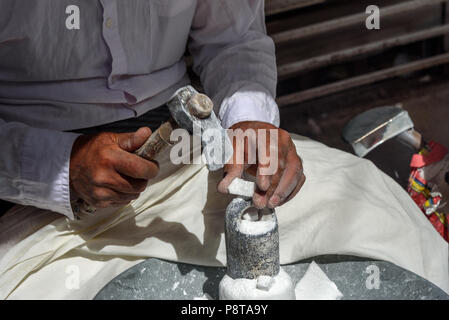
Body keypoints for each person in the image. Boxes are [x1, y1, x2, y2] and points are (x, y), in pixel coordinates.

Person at [0, 0, 304, 219]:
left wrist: (250, 117)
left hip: (186, 136)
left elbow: (232, 40)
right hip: (36, 153)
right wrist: (61, 166)